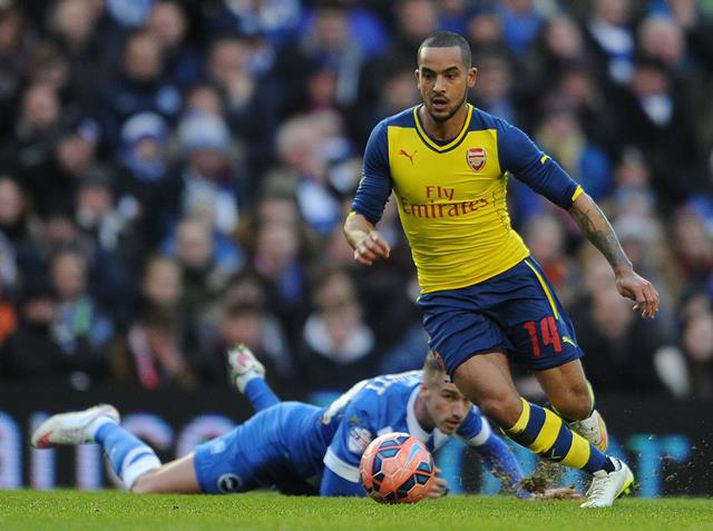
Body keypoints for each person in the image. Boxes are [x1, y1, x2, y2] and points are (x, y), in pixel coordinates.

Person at [343, 31, 661, 509]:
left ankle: (586, 435)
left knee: (573, 403)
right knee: (498, 403)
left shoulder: (497, 136)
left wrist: (623, 268)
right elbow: (360, 212)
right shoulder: (389, 137)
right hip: (448, 299)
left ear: (470, 78)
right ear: (417, 78)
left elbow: (575, 200)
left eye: (451, 76)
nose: (439, 87)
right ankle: (607, 469)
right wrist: (360, 236)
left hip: (513, 280)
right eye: (429, 75)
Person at [31, 345, 551, 499]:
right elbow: (330, 503)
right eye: (451, 400)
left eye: (464, 403)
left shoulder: (452, 406)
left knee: (300, 430)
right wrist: (402, 491)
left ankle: (253, 380)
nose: (460, 412)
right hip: (273, 445)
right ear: (425, 388)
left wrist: (529, 495)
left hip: (300, 439)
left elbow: (497, 452)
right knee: (144, 490)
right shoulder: (372, 416)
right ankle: (103, 424)